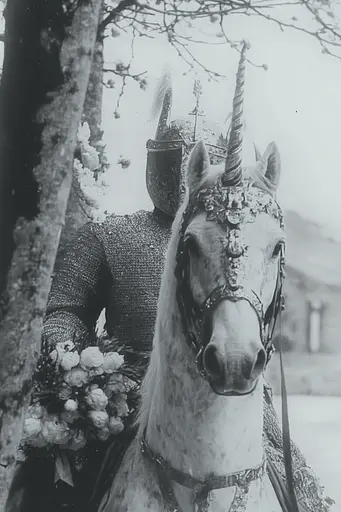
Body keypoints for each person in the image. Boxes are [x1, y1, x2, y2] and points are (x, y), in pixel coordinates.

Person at [7, 72, 332, 512]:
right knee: (46, 487)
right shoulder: (108, 236)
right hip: (124, 394)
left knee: (303, 487)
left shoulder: (232, 238)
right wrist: (80, 363)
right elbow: (65, 310)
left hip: (233, 390)